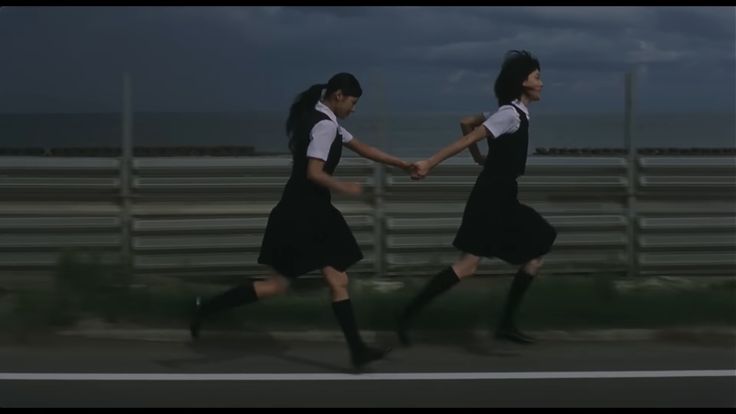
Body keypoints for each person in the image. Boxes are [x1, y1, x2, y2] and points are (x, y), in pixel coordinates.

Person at [190, 72, 411, 369]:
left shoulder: (326, 121)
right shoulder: (323, 126)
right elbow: (314, 173)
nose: (354, 109)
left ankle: (357, 349)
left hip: (309, 211)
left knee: (333, 279)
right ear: (338, 96)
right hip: (303, 214)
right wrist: (347, 187)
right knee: (282, 285)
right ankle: (206, 308)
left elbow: (362, 147)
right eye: (353, 102)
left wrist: (401, 163)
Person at [398, 50, 557, 346]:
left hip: (501, 194)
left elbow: (465, 121)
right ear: (523, 82)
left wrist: (480, 159)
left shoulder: (512, 111)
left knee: (537, 246)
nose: (542, 83)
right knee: (469, 265)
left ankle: (505, 324)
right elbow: (469, 135)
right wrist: (430, 163)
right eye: (537, 77)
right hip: (492, 198)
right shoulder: (509, 115)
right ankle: (406, 317)